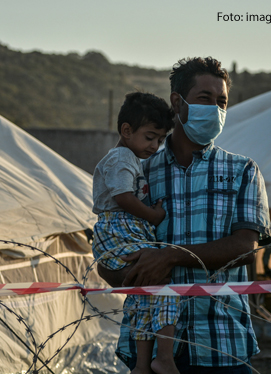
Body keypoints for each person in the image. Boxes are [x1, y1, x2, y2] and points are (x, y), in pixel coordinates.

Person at [97, 57, 271, 373]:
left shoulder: (242, 171)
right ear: (177, 103)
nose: (215, 109)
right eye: (205, 99)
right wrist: (131, 273)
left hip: (221, 342)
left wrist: (168, 257)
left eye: (222, 102)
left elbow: (245, 248)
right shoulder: (138, 172)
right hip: (147, 350)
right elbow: (111, 253)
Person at [92, 92, 180, 374]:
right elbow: (124, 198)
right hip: (120, 229)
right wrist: (153, 215)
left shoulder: (131, 158)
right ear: (126, 131)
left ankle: (143, 365)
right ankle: (163, 356)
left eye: (160, 140)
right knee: (163, 281)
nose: (155, 146)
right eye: (150, 137)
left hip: (125, 229)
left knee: (145, 293)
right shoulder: (121, 158)